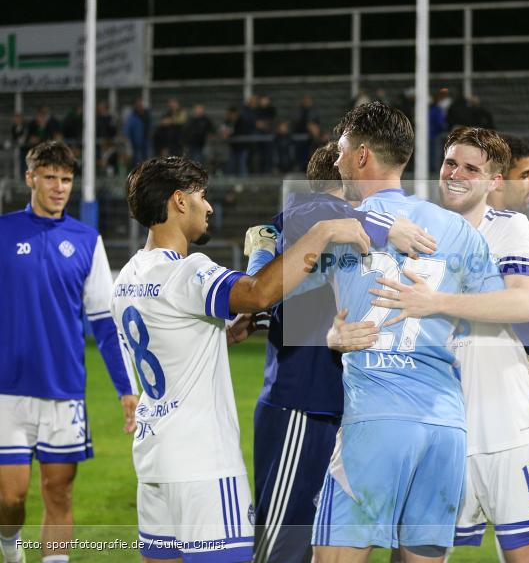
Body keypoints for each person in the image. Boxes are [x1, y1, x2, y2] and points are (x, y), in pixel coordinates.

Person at [111, 155, 369, 563]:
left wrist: (221, 336)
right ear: (179, 201)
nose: (209, 207)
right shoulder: (187, 270)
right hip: (203, 461)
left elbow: (164, 342)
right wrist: (321, 232)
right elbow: (257, 292)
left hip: (154, 456)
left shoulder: (128, 276)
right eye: (201, 196)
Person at [280, 103, 503, 563]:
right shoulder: (458, 229)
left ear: (362, 156)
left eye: (341, 150)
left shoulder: (341, 227)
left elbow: (270, 289)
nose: (336, 160)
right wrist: (441, 305)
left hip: (376, 420)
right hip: (445, 426)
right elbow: (499, 311)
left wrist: (266, 245)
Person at [244, 142, 435, 563]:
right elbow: (268, 281)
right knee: (282, 547)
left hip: (351, 413)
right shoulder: (303, 213)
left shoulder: (356, 228)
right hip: (304, 408)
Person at [0, 141, 138, 563]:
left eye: (66, 179)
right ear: (30, 178)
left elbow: (103, 321)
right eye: (50, 178)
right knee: (11, 497)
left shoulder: (86, 240)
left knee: (58, 491)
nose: (59, 187)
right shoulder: (4, 231)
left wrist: (125, 389)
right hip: (8, 391)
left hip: (65, 391)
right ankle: (9, 545)